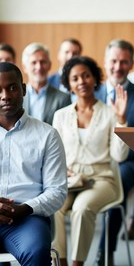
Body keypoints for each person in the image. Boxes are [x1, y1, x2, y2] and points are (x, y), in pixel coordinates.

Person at [51, 57, 130, 266]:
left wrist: (122, 121)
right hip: (69, 179)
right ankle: (61, 263)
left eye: (86, 75)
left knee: (82, 208)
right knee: (52, 207)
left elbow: (119, 156)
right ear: (69, 85)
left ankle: (77, 264)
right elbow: (54, 154)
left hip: (102, 180)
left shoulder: (110, 113)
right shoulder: (60, 116)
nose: (81, 81)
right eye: (75, 78)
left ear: (95, 78)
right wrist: (63, 171)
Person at [0, 62, 67, 266]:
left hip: (28, 218)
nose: (5, 95)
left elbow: (57, 191)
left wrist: (25, 208)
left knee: (36, 253)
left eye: (12, 87)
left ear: (24, 89)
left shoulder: (47, 135)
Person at [96, 39, 134, 266]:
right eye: (113, 61)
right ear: (105, 62)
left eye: (123, 62)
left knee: (116, 180)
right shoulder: (93, 93)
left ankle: (104, 252)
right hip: (94, 162)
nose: (117, 67)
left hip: (130, 163)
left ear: (131, 64)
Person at [21, 42, 71, 125]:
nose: (39, 67)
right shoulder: (16, 97)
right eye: (34, 62)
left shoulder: (63, 98)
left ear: (50, 65)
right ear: (24, 67)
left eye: (43, 62)